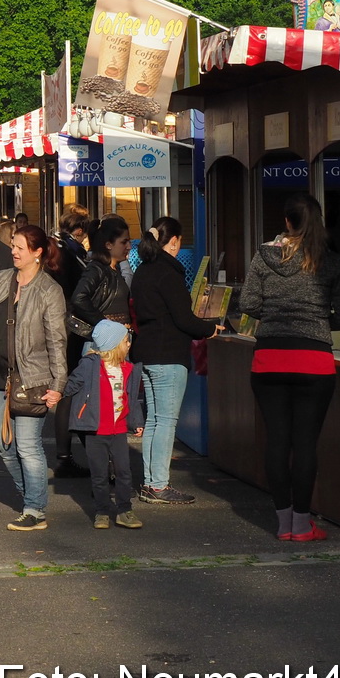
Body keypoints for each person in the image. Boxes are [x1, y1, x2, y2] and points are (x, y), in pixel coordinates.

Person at [239, 194, 340, 543]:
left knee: (277, 440)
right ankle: (303, 525)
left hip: (269, 359)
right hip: (313, 362)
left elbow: (248, 303)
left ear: (287, 223)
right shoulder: (331, 262)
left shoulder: (264, 256)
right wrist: (317, 319)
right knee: (305, 443)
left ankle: (283, 522)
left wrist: (277, 315)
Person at [0, 224, 68, 532]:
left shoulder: (49, 290)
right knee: (6, 447)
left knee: (28, 447)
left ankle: (35, 509)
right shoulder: (0, 279)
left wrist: (58, 385)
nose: (14, 251)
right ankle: (31, 498)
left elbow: (57, 341)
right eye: (13, 246)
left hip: (33, 380)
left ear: (37, 253)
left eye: (20, 247)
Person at [129, 217, 220, 506]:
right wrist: (210, 329)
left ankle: (150, 482)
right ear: (174, 241)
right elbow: (184, 319)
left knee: (154, 421)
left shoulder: (142, 271)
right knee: (166, 423)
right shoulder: (169, 273)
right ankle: (158, 485)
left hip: (146, 352)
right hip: (168, 354)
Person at [57, 214, 132, 478]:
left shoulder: (112, 269)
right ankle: (104, 469)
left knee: (109, 406)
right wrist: (105, 325)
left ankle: (107, 467)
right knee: (99, 407)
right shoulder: (97, 269)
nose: (129, 246)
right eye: (124, 241)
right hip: (102, 347)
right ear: (109, 244)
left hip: (114, 346)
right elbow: (79, 298)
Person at [63, 319, 145, 530]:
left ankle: (124, 510)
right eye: (126, 341)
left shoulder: (128, 368)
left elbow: (132, 399)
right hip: (95, 430)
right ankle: (102, 511)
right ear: (114, 345)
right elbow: (70, 385)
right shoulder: (89, 365)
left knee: (124, 472)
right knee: (99, 474)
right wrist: (55, 392)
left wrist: (137, 422)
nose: (129, 344)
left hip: (118, 429)